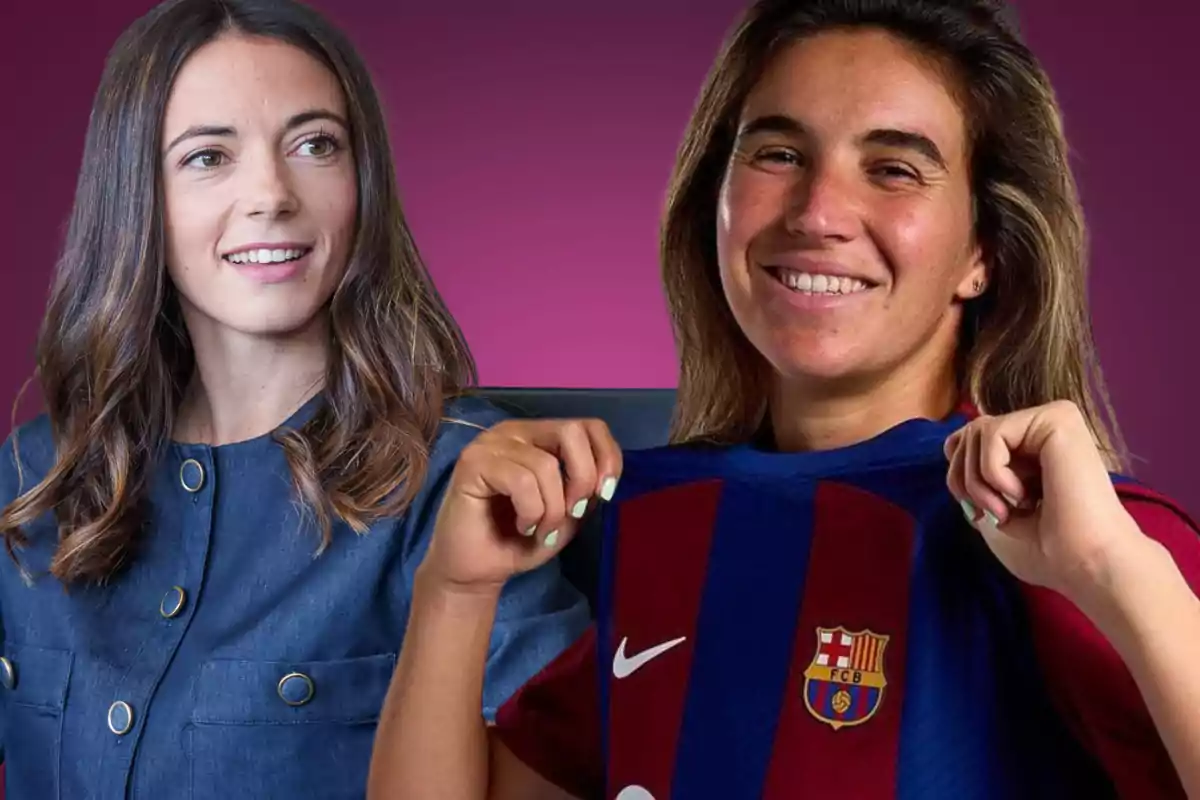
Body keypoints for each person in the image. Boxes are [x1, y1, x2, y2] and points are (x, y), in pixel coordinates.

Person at [367, 0, 1200, 798]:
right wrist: (455, 591)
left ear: (982, 250)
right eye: (778, 153)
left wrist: (1113, 571)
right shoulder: (666, 524)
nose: (819, 212)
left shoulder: (1088, 537)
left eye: (895, 169)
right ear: (715, 202)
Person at [0, 0, 590, 797]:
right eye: (208, 157)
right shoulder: (30, 479)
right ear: (137, 197)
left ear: (363, 180)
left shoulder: (464, 479)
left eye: (316, 145)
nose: (272, 194)